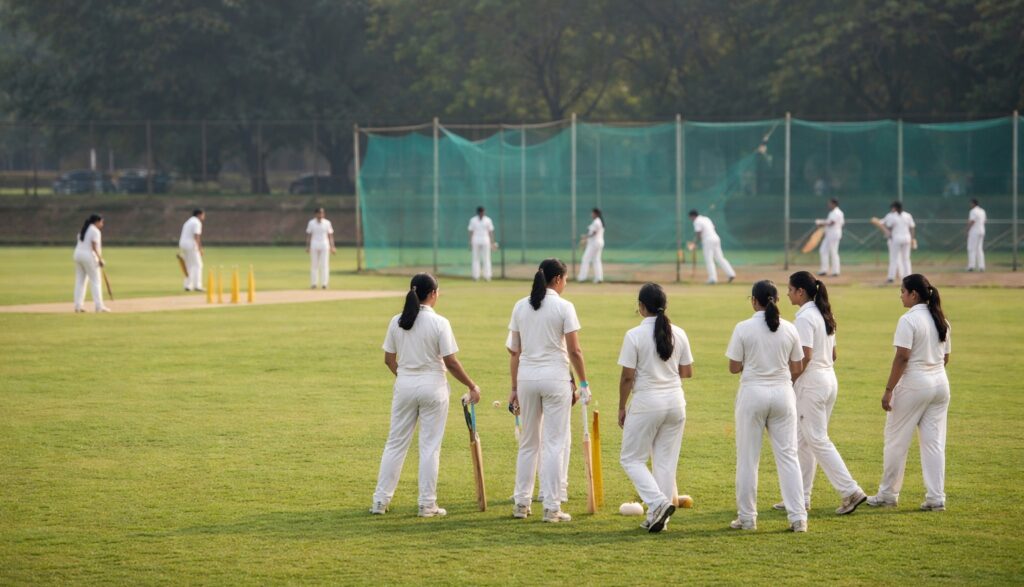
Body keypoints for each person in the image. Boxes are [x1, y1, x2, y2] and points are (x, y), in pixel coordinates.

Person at [371, 273, 481, 517]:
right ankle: (426, 504)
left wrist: (407, 377)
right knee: (430, 447)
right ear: (433, 294)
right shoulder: (440, 322)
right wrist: (472, 386)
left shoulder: (397, 321)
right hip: (433, 386)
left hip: (405, 385)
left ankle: (380, 501)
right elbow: (451, 362)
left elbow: (389, 360)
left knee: (395, 444)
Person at [772, 271, 866, 515]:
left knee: (816, 439)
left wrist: (789, 380)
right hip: (828, 379)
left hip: (812, 383)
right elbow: (833, 354)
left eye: (790, 289)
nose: (787, 293)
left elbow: (805, 356)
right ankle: (799, 497)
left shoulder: (805, 318)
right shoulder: (824, 313)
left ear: (800, 292)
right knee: (802, 440)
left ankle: (850, 491)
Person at [508, 258, 588, 523]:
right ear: (557, 279)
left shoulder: (521, 305)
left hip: (527, 379)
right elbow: (575, 350)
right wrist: (584, 382)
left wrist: (514, 388)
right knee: (554, 444)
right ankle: (552, 507)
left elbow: (514, 352)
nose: (566, 284)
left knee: (529, 443)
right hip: (555, 378)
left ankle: (521, 503)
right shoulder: (564, 306)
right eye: (565, 279)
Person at [725, 280, 807, 532]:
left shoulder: (743, 328)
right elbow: (797, 367)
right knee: (789, 457)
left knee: (748, 458)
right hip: (783, 394)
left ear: (753, 300)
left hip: (753, 394)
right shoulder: (790, 328)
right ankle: (798, 518)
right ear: (777, 300)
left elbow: (733, 367)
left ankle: (748, 518)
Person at [868, 274, 951, 512]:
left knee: (896, 442)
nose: (901, 296)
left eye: (903, 292)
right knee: (934, 444)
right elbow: (945, 357)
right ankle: (936, 498)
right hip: (940, 384)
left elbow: (902, 357)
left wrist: (888, 390)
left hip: (914, 384)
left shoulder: (908, 320)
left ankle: (887, 494)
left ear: (914, 294)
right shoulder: (941, 319)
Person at [617, 283, 693, 533]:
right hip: (676, 403)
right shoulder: (679, 333)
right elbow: (687, 372)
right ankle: (657, 517)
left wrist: (621, 407)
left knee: (631, 459)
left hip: (647, 402)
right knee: (665, 463)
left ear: (641, 307)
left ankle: (658, 503)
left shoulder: (634, 335)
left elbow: (627, 377)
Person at [72, 214, 109, 313]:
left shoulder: (84, 229)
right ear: (96, 221)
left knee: (80, 281)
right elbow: (94, 246)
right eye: (101, 222)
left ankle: (78, 306)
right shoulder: (95, 231)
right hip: (88, 256)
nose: (102, 224)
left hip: (77, 255)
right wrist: (100, 259)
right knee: (96, 281)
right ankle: (99, 306)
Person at [689, 210, 735, 285]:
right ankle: (731, 274)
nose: (691, 219)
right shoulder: (706, 218)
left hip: (708, 240)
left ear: (692, 216)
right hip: (716, 238)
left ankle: (712, 278)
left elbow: (698, 234)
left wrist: (694, 244)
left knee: (709, 259)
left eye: (691, 218)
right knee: (720, 258)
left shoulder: (696, 221)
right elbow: (713, 227)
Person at [882, 201, 915, 283]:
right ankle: (909, 277)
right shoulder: (908, 215)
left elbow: (889, 227)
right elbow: (912, 228)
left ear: (895, 208)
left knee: (894, 258)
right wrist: (912, 238)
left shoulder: (893, 216)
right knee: (906, 258)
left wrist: (887, 233)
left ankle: (891, 278)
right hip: (907, 238)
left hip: (896, 239)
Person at [306, 207, 336, 289]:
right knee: (314, 265)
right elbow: (309, 235)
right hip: (314, 244)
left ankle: (324, 284)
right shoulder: (311, 223)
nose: (320, 215)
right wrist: (307, 246)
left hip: (324, 244)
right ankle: (313, 283)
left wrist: (332, 246)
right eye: (319, 213)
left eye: (322, 213)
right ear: (315, 214)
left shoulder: (327, 223)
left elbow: (330, 235)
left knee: (324, 264)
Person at [178, 209, 205, 291]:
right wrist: (200, 248)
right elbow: (197, 236)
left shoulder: (188, 221)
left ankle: (188, 285)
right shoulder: (197, 222)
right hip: (191, 245)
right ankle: (197, 286)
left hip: (183, 244)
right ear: (199, 215)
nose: (204, 217)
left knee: (189, 265)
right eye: (203, 215)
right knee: (198, 265)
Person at [816, 198, 844, 277]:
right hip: (829, 235)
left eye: (830, 203)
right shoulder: (832, 213)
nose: (829, 205)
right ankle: (824, 270)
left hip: (834, 234)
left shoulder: (837, 212)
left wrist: (821, 223)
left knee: (834, 252)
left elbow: (832, 222)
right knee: (823, 250)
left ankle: (836, 271)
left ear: (834, 204)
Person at [467, 206, 496, 281]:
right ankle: (475, 276)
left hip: (485, 240)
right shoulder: (473, 220)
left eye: (483, 212)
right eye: (480, 212)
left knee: (486, 258)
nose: (482, 214)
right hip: (476, 240)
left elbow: (490, 232)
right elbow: (471, 231)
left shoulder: (488, 220)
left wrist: (492, 243)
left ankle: (487, 276)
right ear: (478, 212)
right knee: (475, 258)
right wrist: (470, 242)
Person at [578, 208, 605, 283]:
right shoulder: (599, 221)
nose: (591, 214)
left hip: (594, 243)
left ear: (596, 213)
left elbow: (594, 233)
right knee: (596, 260)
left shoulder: (596, 222)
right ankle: (599, 278)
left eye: (592, 213)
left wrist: (585, 237)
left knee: (585, 259)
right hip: (598, 243)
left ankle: (582, 278)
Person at [966, 198, 986, 272]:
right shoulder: (982, 211)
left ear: (974, 204)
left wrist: (967, 229)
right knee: (979, 249)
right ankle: (981, 266)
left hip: (974, 232)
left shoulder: (973, 211)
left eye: (971, 203)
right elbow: (985, 221)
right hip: (982, 231)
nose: (970, 205)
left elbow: (972, 221)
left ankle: (971, 266)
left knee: (971, 248)